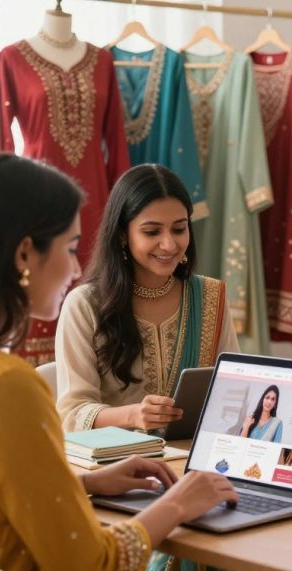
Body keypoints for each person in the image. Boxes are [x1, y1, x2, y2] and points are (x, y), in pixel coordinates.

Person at [0, 154, 237, 571]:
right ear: (24, 254)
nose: (75, 269)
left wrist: (83, 484)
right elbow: (89, 570)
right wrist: (179, 503)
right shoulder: (4, 386)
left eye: (178, 229)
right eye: (70, 248)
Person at [56, 164, 239, 433]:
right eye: (152, 232)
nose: (169, 244)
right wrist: (131, 415)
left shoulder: (211, 298)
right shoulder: (85, 305)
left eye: (179, 229)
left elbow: (235, 390)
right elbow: (71, 413)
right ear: (122, 234)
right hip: (115, 465)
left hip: (191, 459)